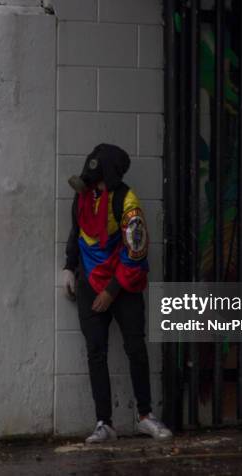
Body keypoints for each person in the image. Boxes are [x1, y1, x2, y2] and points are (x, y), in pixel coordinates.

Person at [62, 143, 173, 443]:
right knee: (95, 352)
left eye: (99, 179)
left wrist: (112, 290)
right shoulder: (82, 197)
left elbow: (135, 252)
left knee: (135, 348)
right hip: (88, 281)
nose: (93, 184)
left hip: (124, 285)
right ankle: (104, 423)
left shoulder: (127, 200)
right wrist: (69, 267)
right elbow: (76, 232)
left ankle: (146, 416)